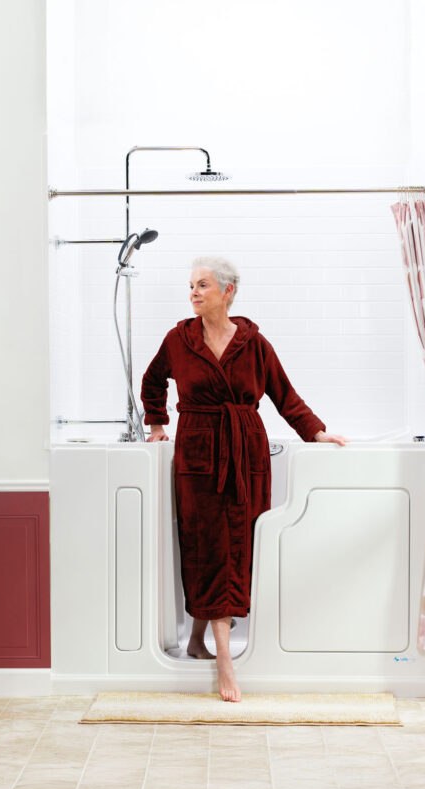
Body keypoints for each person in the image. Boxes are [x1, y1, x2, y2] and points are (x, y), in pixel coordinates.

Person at [141, 256, 347, 702]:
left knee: (238, 545)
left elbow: (284, 395)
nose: (193, 292)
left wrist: (316, 431)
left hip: (245, 451)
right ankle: (224, 662)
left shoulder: (254, 343)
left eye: (202, 285)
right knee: (204, 545)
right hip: (197, 452)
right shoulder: (179, 339)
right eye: (190, 286)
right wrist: (157, 423)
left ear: (227, 291)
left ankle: (198, 640)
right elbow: (153, 380)